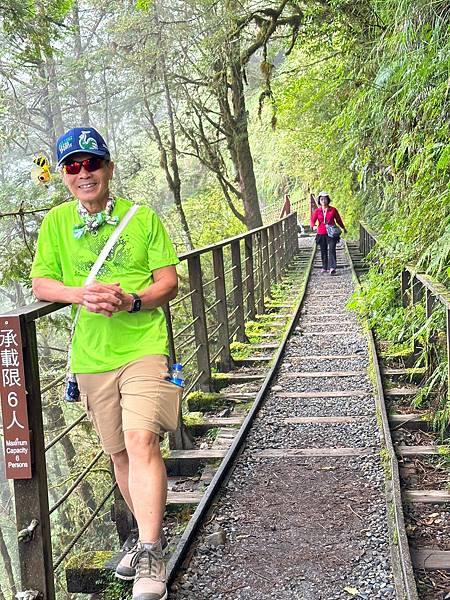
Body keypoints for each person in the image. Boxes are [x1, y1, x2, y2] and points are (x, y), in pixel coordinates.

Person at [31, 126, 181, 600]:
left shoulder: (142, 219)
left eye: (91, 163)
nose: (83, 173)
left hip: (143, 347)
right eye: (72, 166)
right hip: (92, 357)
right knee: (119, 454)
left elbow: (168, 282)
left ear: (109, 167)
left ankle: (152, 551)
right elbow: (41, 283)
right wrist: (80, 294)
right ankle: (143, 538)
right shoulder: (56, 223)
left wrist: (132, 301)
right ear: (63, 175)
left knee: (142, 442)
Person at [311, 191, 347, 275]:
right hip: (321, 233)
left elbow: (338, 220)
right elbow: (312, 221)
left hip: (331, 233)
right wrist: (313, 226)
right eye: (321, 199)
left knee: (332, 249)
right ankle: (324, 267)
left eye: (325, 199)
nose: (323, 201)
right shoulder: (317, 211)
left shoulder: (333, 210)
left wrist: (343, 228)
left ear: (328, 200)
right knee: (323, 250)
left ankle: (332, 267)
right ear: (319, 201)